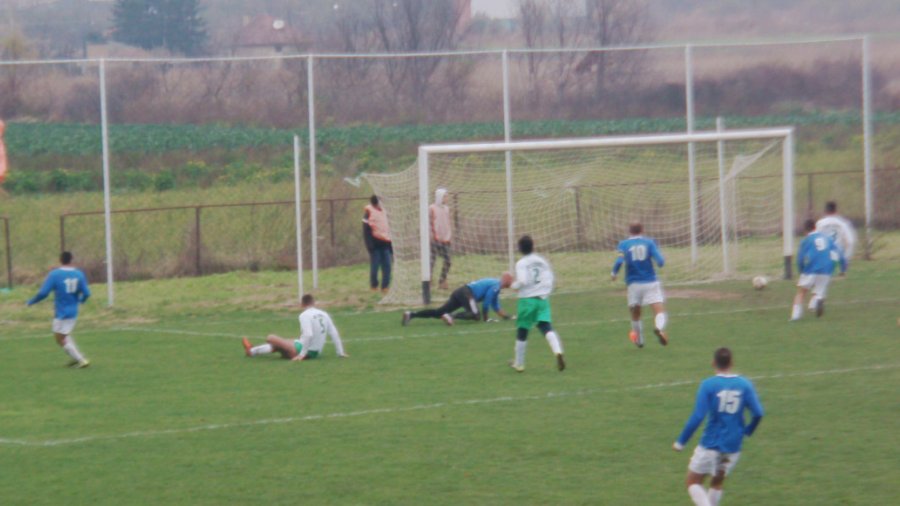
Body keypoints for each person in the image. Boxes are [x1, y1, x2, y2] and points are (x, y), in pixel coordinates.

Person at [673, 347, 764, 506]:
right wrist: (749, 430)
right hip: (733, 446)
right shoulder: (745, 384)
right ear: (732, 362)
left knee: (692, 481)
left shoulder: (708, 385)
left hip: (711, 443)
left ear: (713, 363)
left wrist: (681, 442)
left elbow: (698, 416)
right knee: (717, 482)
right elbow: (758, 413)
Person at [26, 251, 92, 368]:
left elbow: (43, 293)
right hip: (73, 311)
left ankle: (81, 360)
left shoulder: (55, 274)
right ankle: (76, 358)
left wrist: (31, 301)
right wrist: (81, 301)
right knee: (65, 335)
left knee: (60, 338)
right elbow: (87, 293)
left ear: (60, 260)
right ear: (72, 260)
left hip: (61, 313)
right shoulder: (79, 274)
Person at [509, 235, 565, 372]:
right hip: (542, 299)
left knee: (522, 330)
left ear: (520, 248)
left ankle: (519, 364)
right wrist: (545, 292)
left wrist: (513, 285)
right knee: (546, 327)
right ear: (533, 246)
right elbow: (550, 278)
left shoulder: (521, 263)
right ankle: (558, 351)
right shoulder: (542, 261)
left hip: (527, 301)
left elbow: (522, 281)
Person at [610, 222, 669, 348]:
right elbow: (660, 261)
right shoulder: (650, 242)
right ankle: (659, 328)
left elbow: (619, 261)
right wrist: (659, 261)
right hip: (650, 282)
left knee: (635, 313)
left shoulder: (623, 244)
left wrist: (614, 273)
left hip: (633, 283)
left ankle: (639, 340)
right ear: (642, 230)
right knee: (659, 310)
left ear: (629, 231)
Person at [242, 294, 348, 361]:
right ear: (313, 303)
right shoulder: (324, 314)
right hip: (316, 352)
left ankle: (251, 351)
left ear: (302, 304)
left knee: (270, 338)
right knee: (284, 343)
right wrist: (340, 352)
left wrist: (301, 355)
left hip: (304, 352)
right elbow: (334, 333)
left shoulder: (304, 315)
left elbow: (308, 335)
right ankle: (252, 351)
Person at [402, 273, 513, 326]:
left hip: (460, 292)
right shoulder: (496, 285)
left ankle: (411, 314)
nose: (512, 282)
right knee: (475, 315)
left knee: (439, 312)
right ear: (506, 280)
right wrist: (486, 318)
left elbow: (496, 306)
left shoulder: (495, 286)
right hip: (467, 293)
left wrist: (508, 317)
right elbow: (486, 303)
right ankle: (450, 316)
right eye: (511, 280)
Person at [791, 218, 847, 320]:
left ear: (805, 230)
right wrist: (843, 268)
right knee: (819, 290)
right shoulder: (827, 238)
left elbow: (800, 258)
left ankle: (795, 317)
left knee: (801, 292)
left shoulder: (806, 241)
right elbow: (840, 252)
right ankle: (818, 299)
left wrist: (801, 271)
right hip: (826, 270)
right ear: (815, 227)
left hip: (811, 268)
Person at [362, 195, 392, 293]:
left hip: (385, 244)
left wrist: (390, 244)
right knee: (375, 266)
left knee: (387, 266)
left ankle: (385, 286)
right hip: (375, 245)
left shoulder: (385, 212)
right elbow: (366, 231)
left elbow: (388, 228)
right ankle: (374, 285)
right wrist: (369, 245)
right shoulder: (368, 213)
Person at [430, 187, 453, 290]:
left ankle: (442, 281)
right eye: (445, 196)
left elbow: (447, 223)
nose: (447, 198)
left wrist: (449, 235)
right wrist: (432, 236)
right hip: (435, 239)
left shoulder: (447, 209)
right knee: (432, 261)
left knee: (448, 260)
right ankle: (428, 280)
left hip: (446, 240)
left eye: (447, 196)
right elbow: (429, 223)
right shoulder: (431, 208)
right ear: (439, 197)